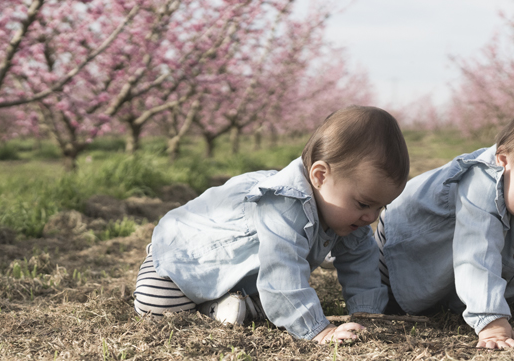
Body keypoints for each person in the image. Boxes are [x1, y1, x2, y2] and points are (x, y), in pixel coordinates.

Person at [133, 106, 409, 344]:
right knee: (155, 304)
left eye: (379, 207)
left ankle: (230, 304)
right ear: (320, 175)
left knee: (276, 301)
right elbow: (282, 268)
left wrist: (367, 316)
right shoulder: (284, 204)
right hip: (189, 260)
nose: (370, 217)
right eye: (363, 204)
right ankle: (222, 305)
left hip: (243, 276)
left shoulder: (347, 217)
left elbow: (362, 264)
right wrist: (318, 330)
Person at [376, 96, 514, 350]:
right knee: (391, 297)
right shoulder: (480, 185)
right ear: (504, 161)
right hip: (405, 239)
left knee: (447, 292)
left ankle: (457, 296)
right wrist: (490, 320)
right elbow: (476, 254)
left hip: (446, 251)